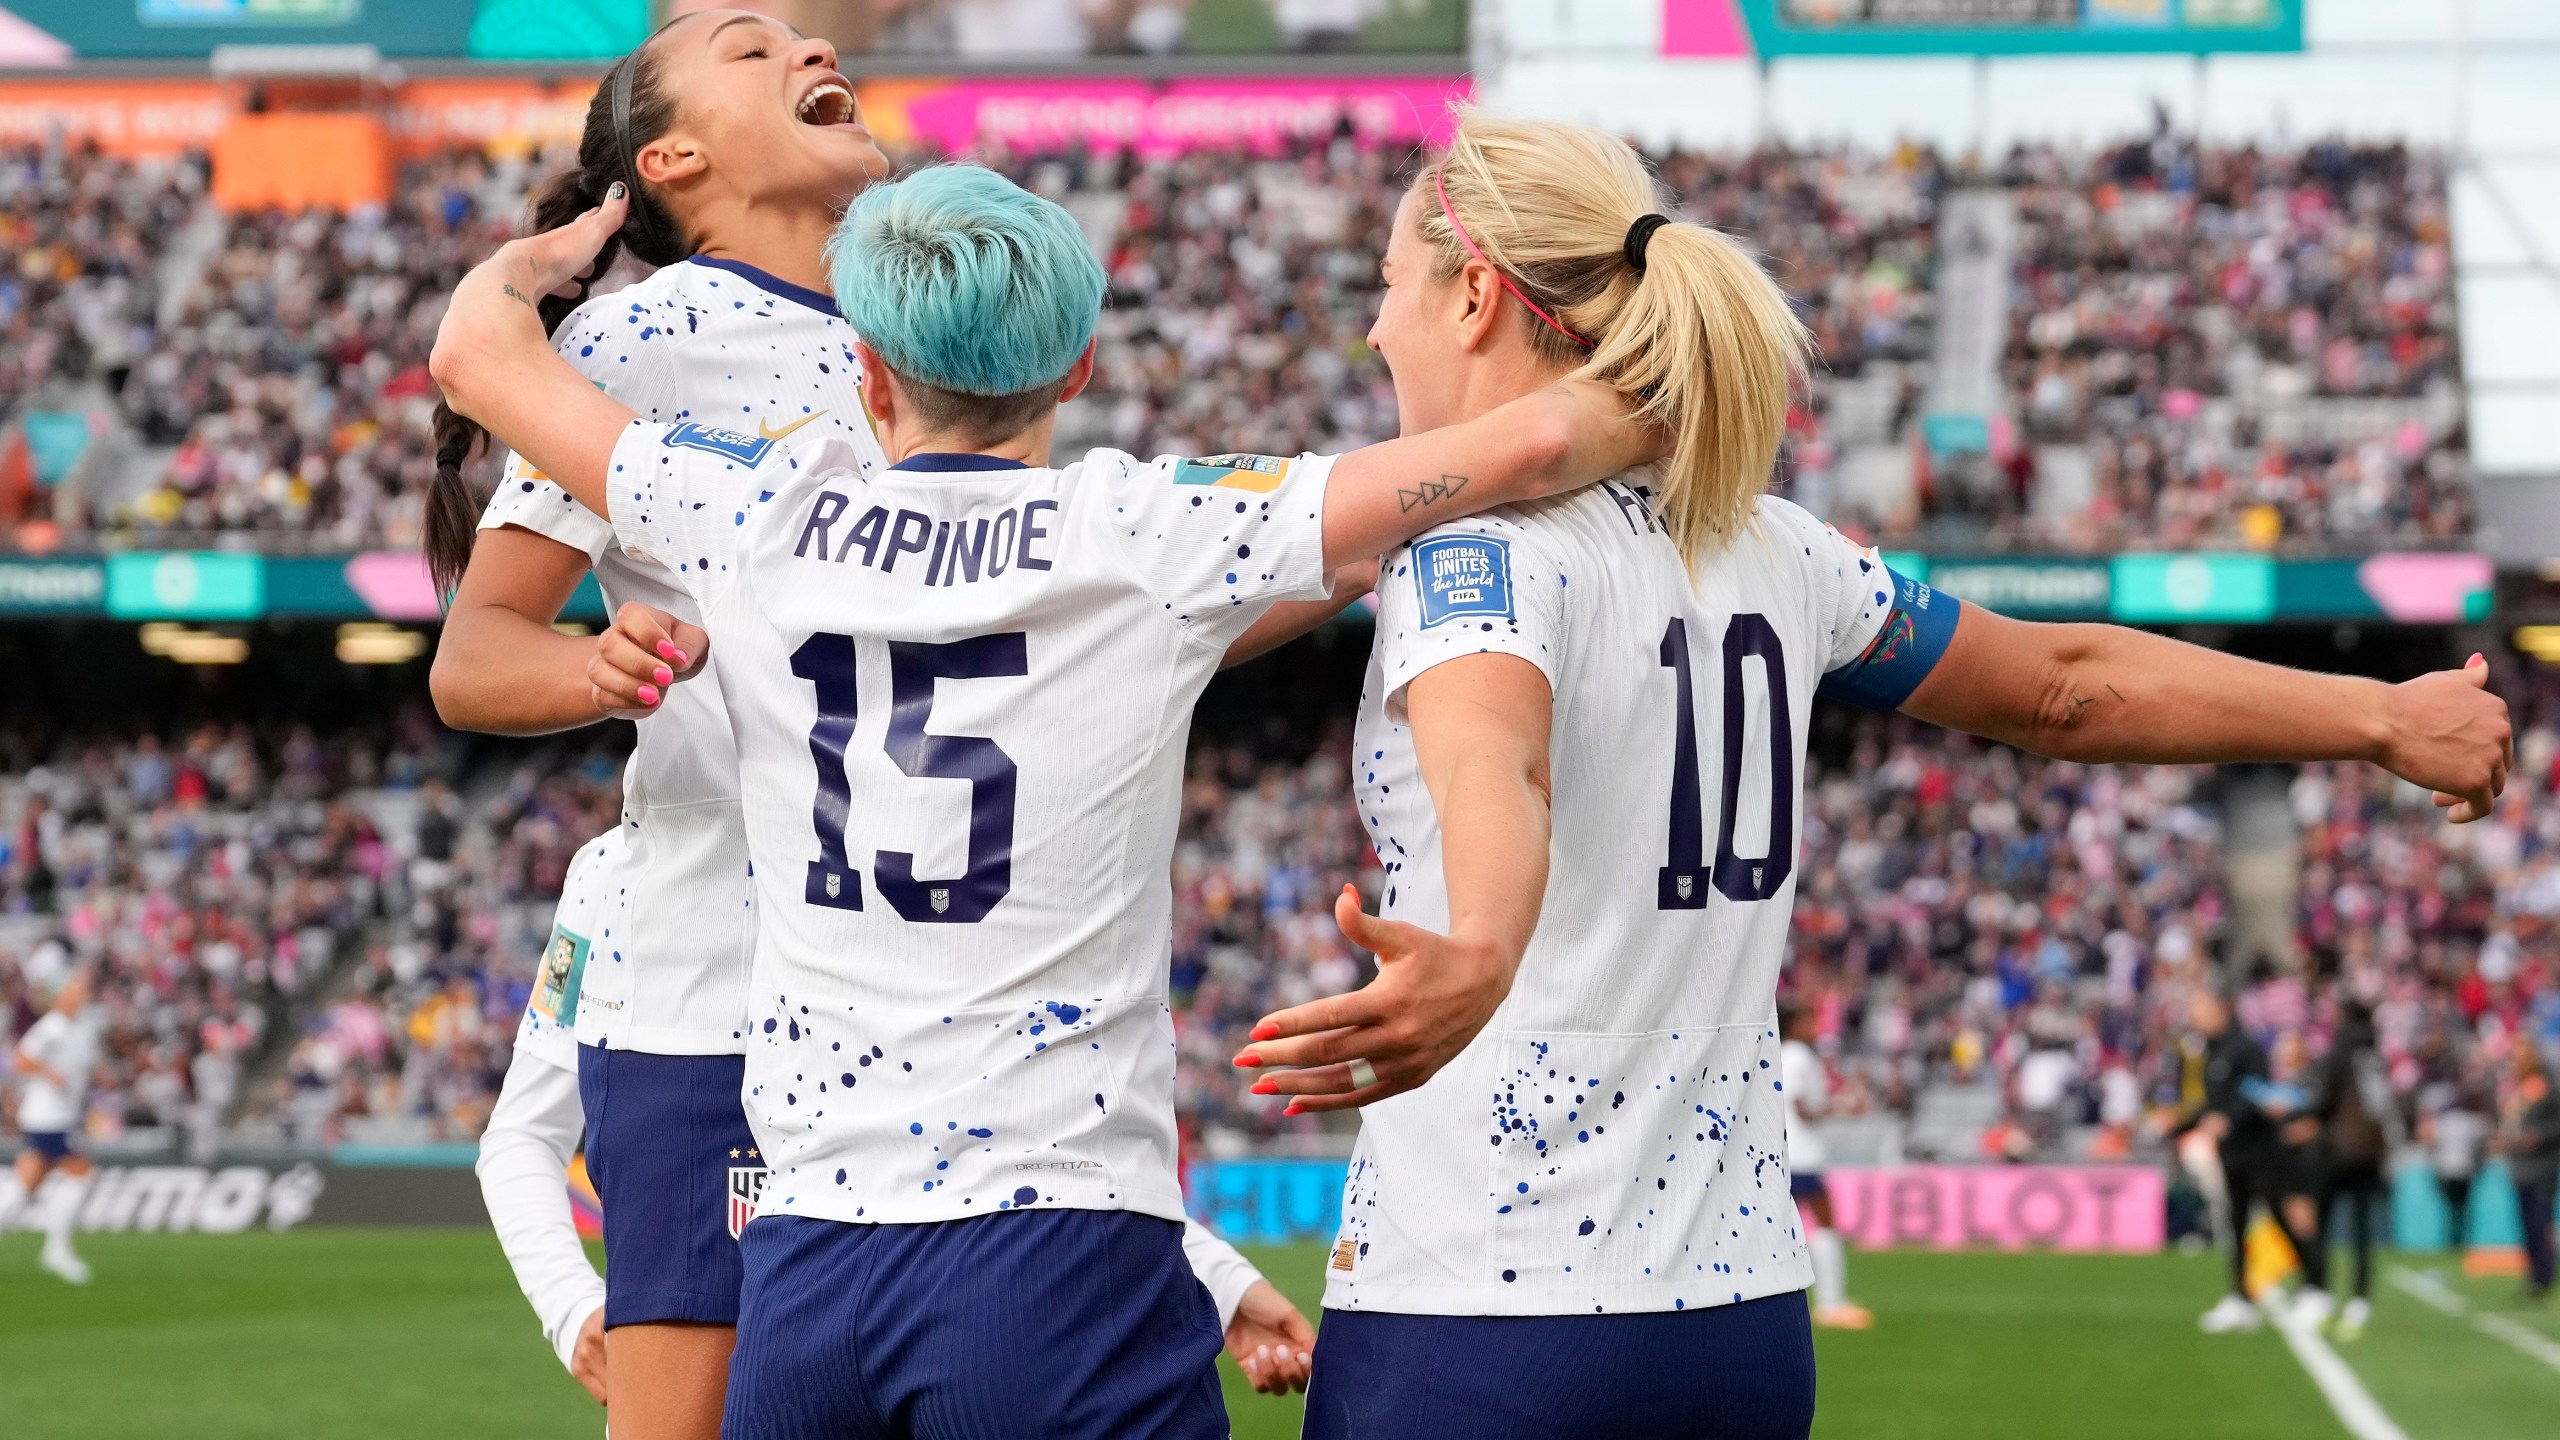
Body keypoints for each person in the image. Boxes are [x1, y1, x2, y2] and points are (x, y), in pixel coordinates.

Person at [1221, 110, 2512, 1437]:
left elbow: (1499, 767)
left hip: (1484, 1309)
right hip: (1741, 1321)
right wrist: (2372, 713)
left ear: (1476, 294)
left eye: (1388, 290)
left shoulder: (1464, 555)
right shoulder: (1777, 547)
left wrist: (1482, 944)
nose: (1378, 331)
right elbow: (2062, 687)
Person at [428, 161, 1658, 1438]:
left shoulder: (749, 507)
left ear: (868, 376)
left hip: (809, 1252)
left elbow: (475, 352)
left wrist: (537, 264)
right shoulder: (1148, 530)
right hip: (1058, 1246)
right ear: (1074, 371)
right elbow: (1534, 443)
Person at [432, 14, 1322, 1430]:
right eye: (749, 45)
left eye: (806, 31)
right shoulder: (634, 338)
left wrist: (1200, 1270)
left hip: (927, 1015)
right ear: (671, 157)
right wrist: (601, 666)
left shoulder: (947, 333)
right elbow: (475, 656)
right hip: (715, 995)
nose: (812, 42)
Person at [2290, 1000, 2396, 1338]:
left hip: (2335, 1153)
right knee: (2364, 1232)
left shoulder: (2338, 1055)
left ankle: (2318, 1292)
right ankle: (2359, 1300)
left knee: (2319, 1225)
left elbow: (2321, 1101)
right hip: (2372, 1155)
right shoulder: (2376, 1060)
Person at [1780, 1002, 1869, 1329]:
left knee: (1798, 1227)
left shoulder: (1790, 1053)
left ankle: (1827, 1301)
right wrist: (1839, 1110)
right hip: (1800, 1154)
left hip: (1792, 1153)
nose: (1813, 1024)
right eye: (1807, 1018)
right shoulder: (1796, 1055)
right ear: (1791, 1024)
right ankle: (1831, 1303)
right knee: (1825, 1223)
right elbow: (1799, 1104)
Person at [12, 968, 100, 1284]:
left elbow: (83, 1066)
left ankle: (57, 1251)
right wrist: (50, 1073)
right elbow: (21, 1060)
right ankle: (56, 1250)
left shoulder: (81, 1027)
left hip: (62, 1115)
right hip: (47, 1116)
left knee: (26, 1185)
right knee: (81, 1173)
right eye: (75, 988)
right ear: (61, 997)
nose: (81, 992)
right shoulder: (51, 1028)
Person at [2498, 1042, 2560, 1302]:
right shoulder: (2514, 1092)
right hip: (2520, 1167)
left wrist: (2539, 1136)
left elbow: (2555, 1126)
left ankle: (2543, 1275)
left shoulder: (2545, 1089)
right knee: (2526, 1225)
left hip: (2542, 1167)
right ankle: (2533, 1273)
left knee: (2540, 1223)